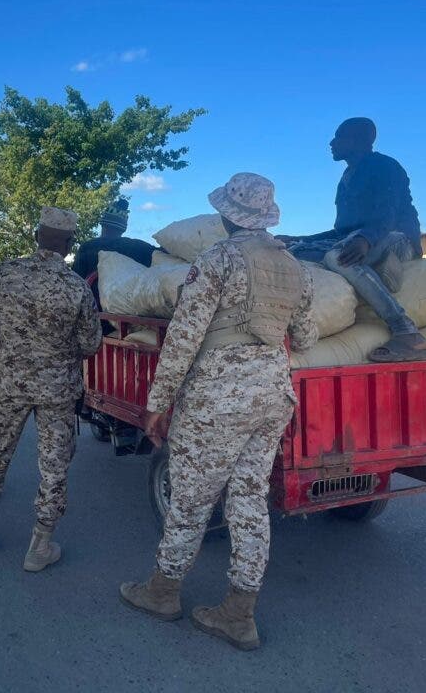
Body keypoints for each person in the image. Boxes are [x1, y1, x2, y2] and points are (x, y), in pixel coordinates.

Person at [118, 174, 317, 651]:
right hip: (272, 392)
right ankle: (238, 612)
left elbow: (184, 336)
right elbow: (306, 336)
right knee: (249, 499)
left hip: (219, 397)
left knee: (190, 499)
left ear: (228, 215)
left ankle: (163, 592)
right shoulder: (294, 267)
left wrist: (157, 402)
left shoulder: (218, 259)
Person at [0, 207, 102, 572]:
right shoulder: (75, 286)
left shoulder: (5, 275)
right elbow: (90, 344)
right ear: (69, 244)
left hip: (9, 382)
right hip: (57, 389)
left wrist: (9, 349)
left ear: (37, 236)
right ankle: (39, 546)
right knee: (54, 466)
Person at [282, 117, 426, 362]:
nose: (332, 142)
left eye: (339, 136)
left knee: (338, 258)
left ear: (360, 140)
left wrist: (365, 239)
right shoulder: (347, 179)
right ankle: (379, 267)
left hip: (398, 238)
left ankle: (405, 330)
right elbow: (342, 231)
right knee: (298, 251)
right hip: (365, 238)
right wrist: (299, 239)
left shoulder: (385, 167)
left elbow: (388, 215)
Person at [71, 197, 157, 279]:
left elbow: (75, 278)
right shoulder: (137, 247)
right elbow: (163, 254)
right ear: (123, 229)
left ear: (102, 224)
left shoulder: (87, 247)